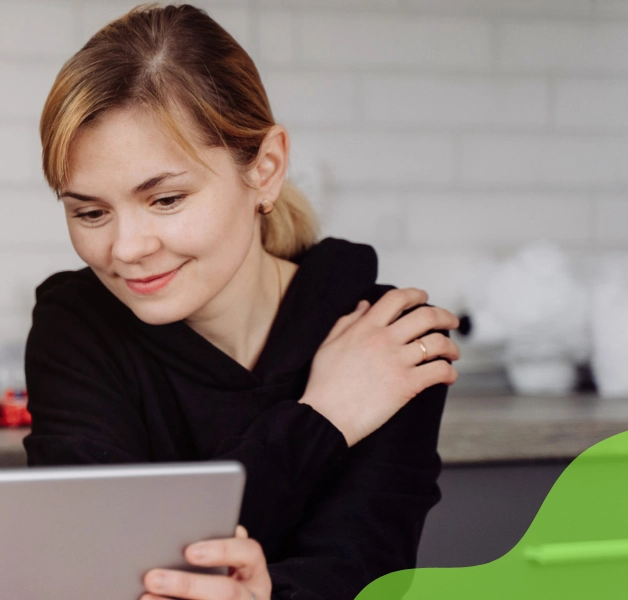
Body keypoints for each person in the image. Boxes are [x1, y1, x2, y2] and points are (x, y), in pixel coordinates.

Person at [23, 5, 462, 600]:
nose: (125, 249)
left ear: (266, 169)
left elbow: (366, 572)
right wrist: (325, 417)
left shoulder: (386, 337)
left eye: (166, 199)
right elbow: (105, 565)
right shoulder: (76, 327)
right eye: (90, 212)